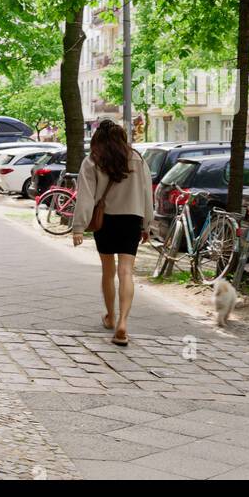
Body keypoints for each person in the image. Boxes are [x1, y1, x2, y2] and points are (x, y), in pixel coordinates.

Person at [72, 121, 153, 347]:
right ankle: (123, 324)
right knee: (126, 271)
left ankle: (111, 317)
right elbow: (148, 193)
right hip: (132, 218)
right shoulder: (137, 158)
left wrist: (78, 227)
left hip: (106, 220)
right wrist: (147, 223)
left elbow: (85, 196)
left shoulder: (93, 160)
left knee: (108, 272)